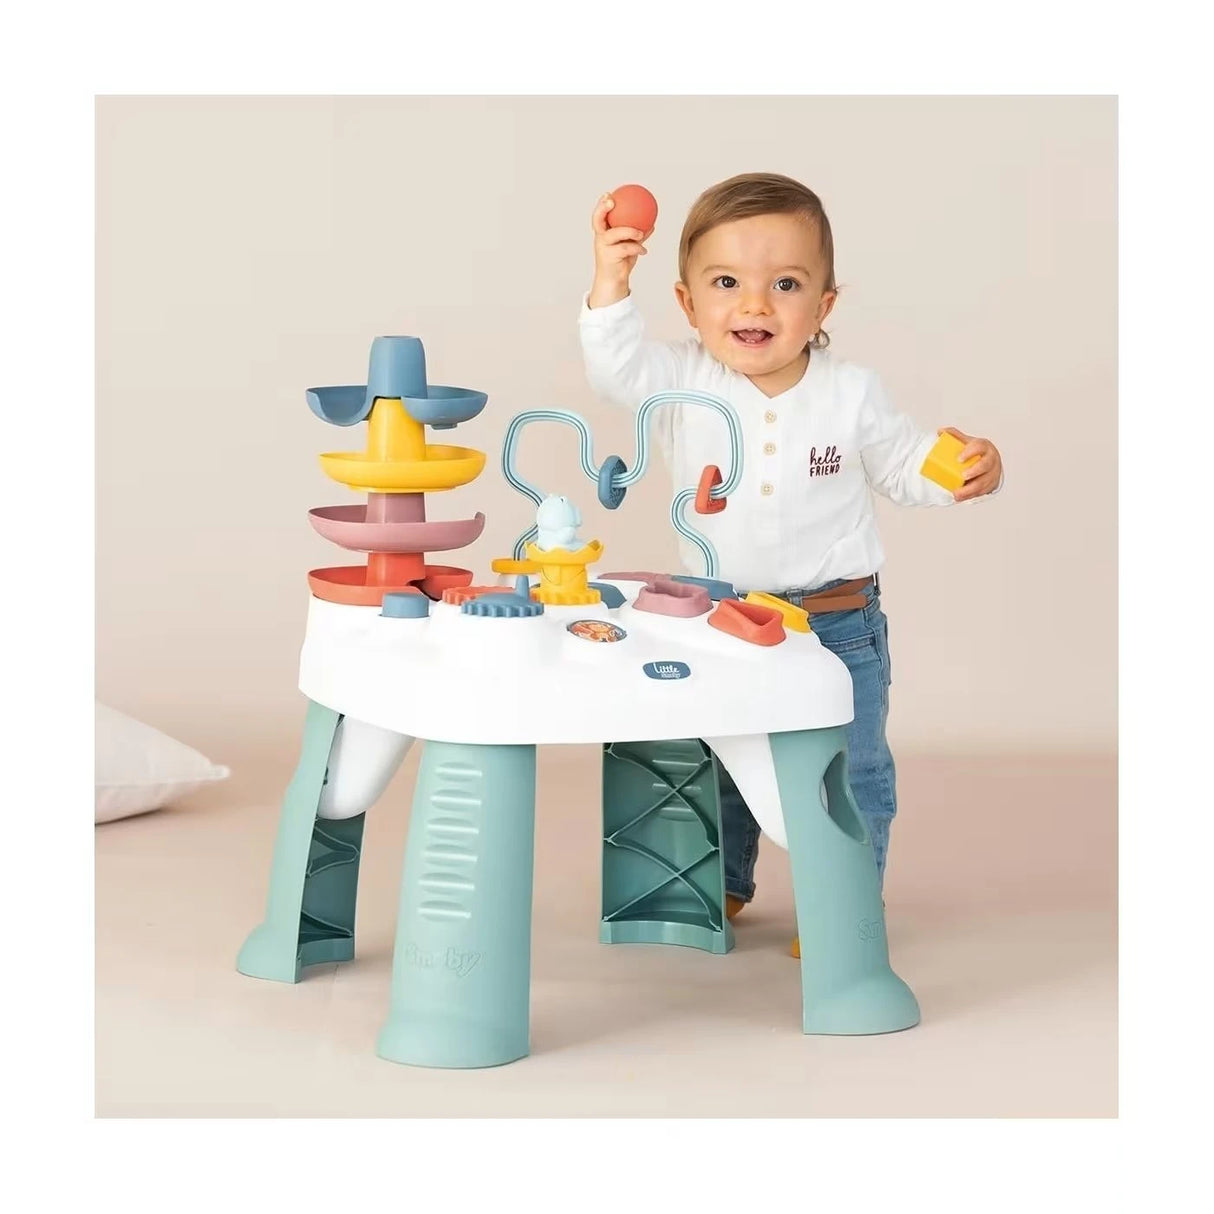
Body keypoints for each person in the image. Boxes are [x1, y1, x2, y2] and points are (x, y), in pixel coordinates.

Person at [578, 172, 1003, 953]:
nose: (755, 304)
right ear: (687, 304)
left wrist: (968, 471)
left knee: (852, 771)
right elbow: (614, 370)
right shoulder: (680, 382)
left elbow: (907, 465)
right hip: (722, 620)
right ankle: (723, 880)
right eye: (727, 284)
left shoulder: (852, 393)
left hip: (837, 623)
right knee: (722, 758)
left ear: (824, 305)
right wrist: (611, 278)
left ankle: (845, 905)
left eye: (785, 284)